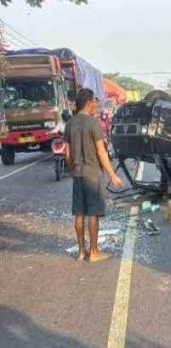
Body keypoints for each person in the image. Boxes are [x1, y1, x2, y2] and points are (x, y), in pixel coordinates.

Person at [64, 88, 124, 262]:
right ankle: (94, 252)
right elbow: (101, 153)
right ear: (89, 103)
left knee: (79, 214)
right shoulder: (93, 124)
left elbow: (66, 153)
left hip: (78, 174)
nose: (96, 107)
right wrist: (112, 175)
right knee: (93, 214)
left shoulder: (70, 124)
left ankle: (81, 252)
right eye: (94, 104)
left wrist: (71, 169)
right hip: (92, 174)